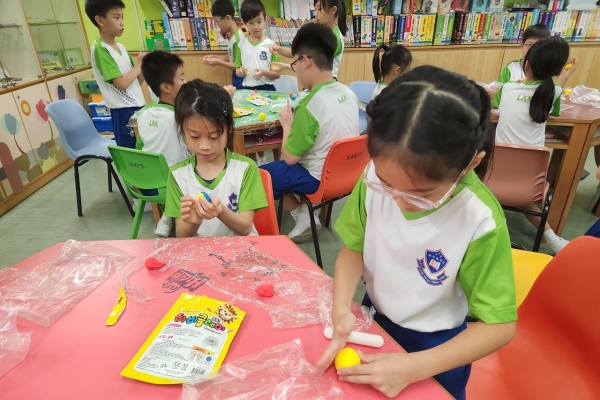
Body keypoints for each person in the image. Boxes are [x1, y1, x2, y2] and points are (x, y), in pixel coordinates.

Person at [316, 66, 517, 400]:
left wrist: (414, 367)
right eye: (387, 185)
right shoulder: (376, 175)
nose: (398, 201)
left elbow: (500, 326)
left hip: (437, 347)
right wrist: (341, 309)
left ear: (470, 164)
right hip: (376, 318)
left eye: (420, 194)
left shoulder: (479, 218)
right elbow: (353, 250)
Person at [260, 23, 359, 242]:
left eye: (295, 63)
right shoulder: (349, 93)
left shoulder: (310, 105)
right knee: (283, 168)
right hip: (348, 176)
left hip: (319, 180)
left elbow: (289, 158)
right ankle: (307, 211)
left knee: (260, 174)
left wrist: (287, 124)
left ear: (306, 61)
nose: (295, 70)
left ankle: (302, 213)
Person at [493, 36, 570, 254]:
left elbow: (494, 104)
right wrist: (565, 76)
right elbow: (554, 107)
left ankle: (496, 227)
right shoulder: (554, 92)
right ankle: (552, 238)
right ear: (557, 71)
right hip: (529, 186)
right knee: (529, 195)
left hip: (491, 178)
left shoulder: (508, 89)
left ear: (526, 65)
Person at [164, 79, 267, 237]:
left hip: (241, 249)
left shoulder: (245, 168)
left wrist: (220, 212)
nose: (204, 146)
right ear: (183, 132)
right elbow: (182, 236)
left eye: (214, 136)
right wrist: (194, 222)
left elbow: (245, 228)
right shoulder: (177, 176)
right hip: (201, 251)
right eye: (194, 136)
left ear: (229, 128)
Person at [137, 51, 189, 237]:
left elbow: (139, 148)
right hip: (175, 185)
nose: (185, 82)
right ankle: (172, 213)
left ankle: (167, 215)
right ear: (166, 87)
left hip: (144, 183)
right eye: (181, 79)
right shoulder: (179, 118)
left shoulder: (143, 116)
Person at [85, 0, 146, 149]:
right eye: (116, 17)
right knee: (133, 155)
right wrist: (139, 64)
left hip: (138, 108)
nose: (122, 22)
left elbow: (137, 81)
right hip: (123, 111)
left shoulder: (120, 47)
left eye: (122, 17)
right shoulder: (100, 48)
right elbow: (122, 84)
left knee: (145, 151)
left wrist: (145, 66)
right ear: (100, 21)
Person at [234, 0, 281, 166]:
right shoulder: (241, 45)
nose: (256, 26)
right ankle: (259, 159)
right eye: (251, 23)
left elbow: (277, 74)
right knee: (253, 130)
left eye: (259, 21)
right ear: (244, 23)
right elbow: (237, 69)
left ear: (265, 20)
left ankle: (277, 161)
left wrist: (264, 72)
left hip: (268, 90)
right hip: (248, 92)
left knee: (273, 129)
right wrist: (239, 71)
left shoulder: (271, 46)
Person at [270, 0, 348, 81]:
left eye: (320, 9)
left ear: (333, 10)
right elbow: (298, 52)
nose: (315, 14)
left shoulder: (335, 38)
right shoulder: (319, 32)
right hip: (314, 81)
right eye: (315, 9)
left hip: (325, 83)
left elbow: (311, 65)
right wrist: (277, 48)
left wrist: (285, 66)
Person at [204, 0, 245, 89]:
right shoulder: (232, 35)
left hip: (241, 79)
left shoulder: (238, 39)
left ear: (228, 18)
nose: (217, 24)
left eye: (217, 20)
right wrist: (215, 57)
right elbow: (233, 56)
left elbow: (238, 65)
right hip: (236, 76)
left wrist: (218, 62)